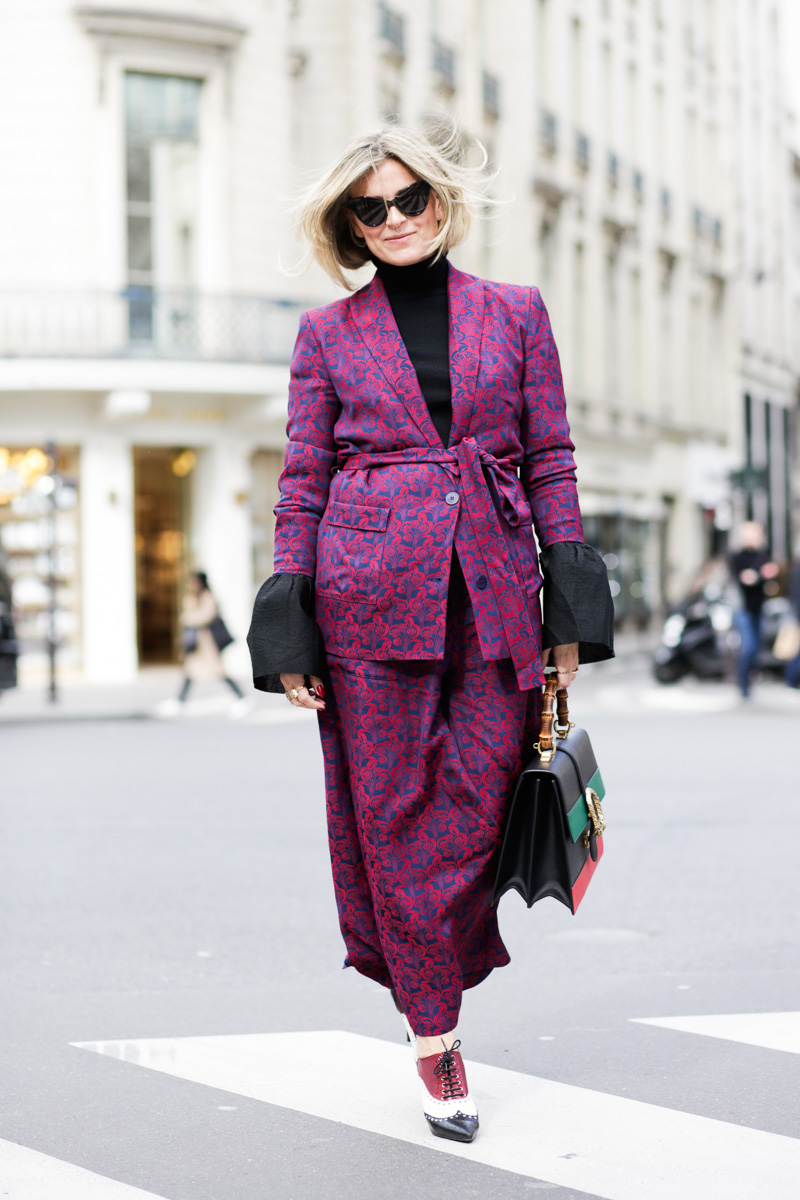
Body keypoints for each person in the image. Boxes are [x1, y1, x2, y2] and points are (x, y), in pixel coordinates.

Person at [247, 123, 614, 1143]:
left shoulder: (515, 312)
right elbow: (303, 481)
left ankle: (432, 973)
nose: (396, 217)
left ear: (442, 202)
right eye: (372, 207)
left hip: (495, 596)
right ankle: (434, 1033)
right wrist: (290, 620)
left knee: (478, 810)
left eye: (410, 197)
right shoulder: (327, 335)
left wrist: (567, 603)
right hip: (364, 599)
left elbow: (550, 459)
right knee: (393, 819)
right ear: (351, 226)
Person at [159, 572, 250, 718]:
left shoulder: (207, 596)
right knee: (189, 672)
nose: (191, 585)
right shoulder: (192, 598)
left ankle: (242, 698)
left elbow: (204, 616)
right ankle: (179, 701)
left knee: (219, 672)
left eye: (194, 582)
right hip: (198, 645)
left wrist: (189, 617)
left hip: (208, 644)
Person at [729, 521, 779, 698]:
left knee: (757, 647)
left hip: (759, 608)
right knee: (748, 646)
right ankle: (743, 685)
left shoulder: (763, 555)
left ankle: (749, 679)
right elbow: (745, 578)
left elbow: (769, 576)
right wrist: (760, 574)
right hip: (743, 609)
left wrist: (759, 575)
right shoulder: (738, 556)